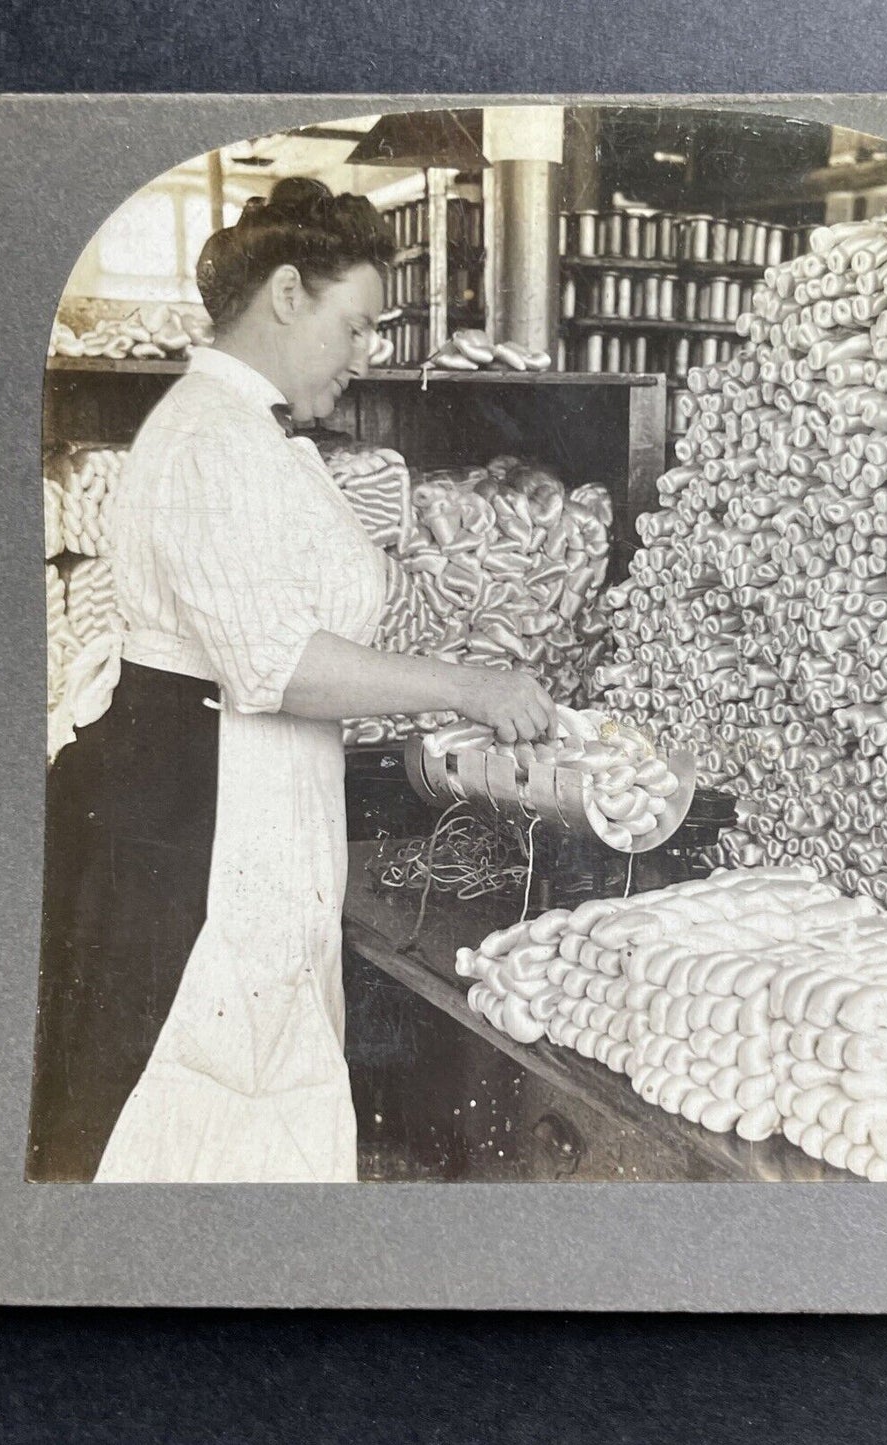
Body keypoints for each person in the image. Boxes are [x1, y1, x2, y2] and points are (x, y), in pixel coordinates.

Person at [28, 178, 556, 1183]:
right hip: (201, 812)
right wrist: (468, 687)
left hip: (252, 798)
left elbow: (315, 614)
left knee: (258, 1087)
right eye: (352, 325)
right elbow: (275, 662)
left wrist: (441, 639)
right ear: (283, 294)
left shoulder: (258, 440)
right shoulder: (211, 443)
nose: (363, 355)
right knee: (197, 1101)